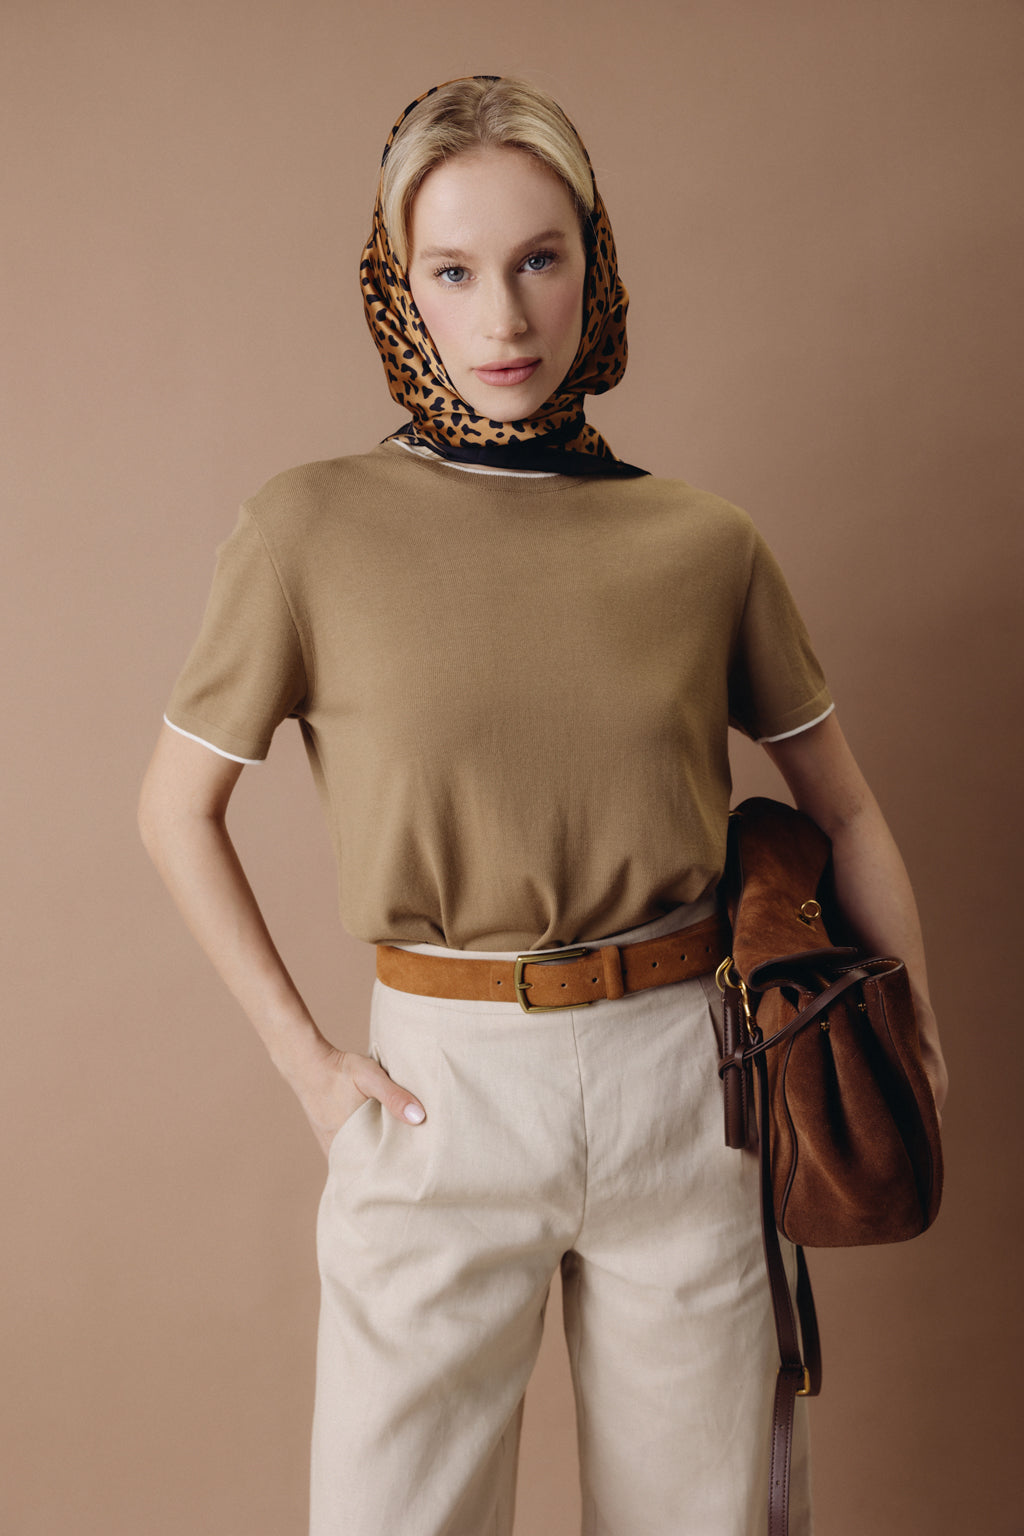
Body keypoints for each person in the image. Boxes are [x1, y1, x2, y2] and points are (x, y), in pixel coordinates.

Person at [138, 74, 947, 1536]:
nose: (503, 318)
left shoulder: (704, 543)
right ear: (402, 287)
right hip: (441, 1089)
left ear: (596, 261)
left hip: (690, 1085)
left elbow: (848, 809)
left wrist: (918, 1043)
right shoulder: (305, 528)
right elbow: (172, 811)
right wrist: (310, 1067)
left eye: (539, 259)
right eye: (452, 271)